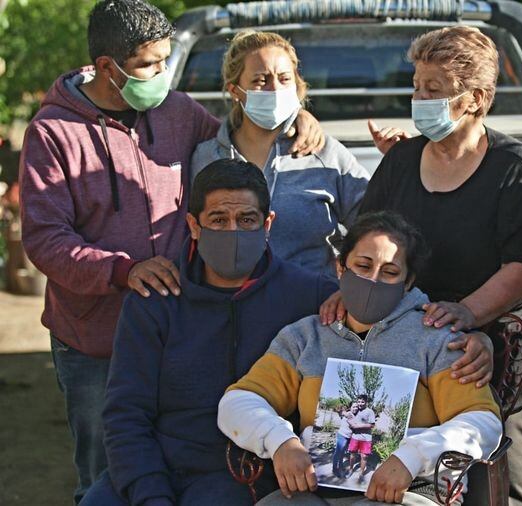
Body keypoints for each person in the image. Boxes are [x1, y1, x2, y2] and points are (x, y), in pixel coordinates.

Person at [18, 1, 325, 502]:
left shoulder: (178, 112)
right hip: (95, 335)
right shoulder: (53, 134)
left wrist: (296, 116)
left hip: (184, 320)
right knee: (105, 468)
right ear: (105, 68)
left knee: (191, 447)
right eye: (148, 65)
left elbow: (239, 141)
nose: (162, 75)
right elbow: (45, 239)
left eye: (166, 61)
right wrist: (123, 271)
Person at [320, 26, 522, 506]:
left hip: (494, 356)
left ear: (476, 99)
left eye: (434, 90)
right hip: (406, 357)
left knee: (501, 488)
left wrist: (467, 313)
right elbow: (367, 240)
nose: (419, 98)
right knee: (395, 484)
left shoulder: (513, 165)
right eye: (417, 86)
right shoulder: (402, 160)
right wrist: (349, 289)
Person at [80, 159, 336, 506]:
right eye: (218, 220)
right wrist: (150, 493)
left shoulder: (311, 295)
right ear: (194, 226)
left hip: (244, 474)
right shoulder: (155, 300)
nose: (233, 231)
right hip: (155, 465)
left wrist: (430, 310)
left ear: (268, 224)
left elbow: (382, 312)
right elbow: (126, 414)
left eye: (246, 220)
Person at [218, 211, 502, 505]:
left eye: (390, 272)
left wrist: (412, 457)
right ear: (340, 267)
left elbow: (482, 422)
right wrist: (280, 442)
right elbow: (238, 402)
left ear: (408, 281)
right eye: (363, 266)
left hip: (411, 491)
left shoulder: (437, 339)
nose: (373, 280)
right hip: (316, 490)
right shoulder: (305, 338)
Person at [192, 30, 369, 278]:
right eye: (260, 80)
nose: (274, 89)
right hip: (230, 309)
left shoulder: (324, 152)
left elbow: (373, 227)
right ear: (235, 90)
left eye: (284, 78)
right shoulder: (206, 157)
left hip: (313, 308)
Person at [346, 394, 376, 481]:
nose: (360, 404)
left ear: (366, 402)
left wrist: (358, 426)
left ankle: (361, 474)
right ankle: (351, 470)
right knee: (352, 455)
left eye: (362, 402)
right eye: (359, 401)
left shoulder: (370, 412)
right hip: (355, 437)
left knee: (364, 457)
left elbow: (372, 425)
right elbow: (346, 413)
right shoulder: (355, 409)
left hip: (366, 438)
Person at [333, 403, 358, 478]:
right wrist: (344, 412)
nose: (355, 408)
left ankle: (340, 465)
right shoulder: (349, 414)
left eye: (356, 407)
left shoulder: (355, 415)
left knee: (342, 453)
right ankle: (334, 469)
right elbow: (340, 411)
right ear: (350, 408)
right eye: (354, 407)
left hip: (348, 437)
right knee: (338, 452)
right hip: (342, 435)